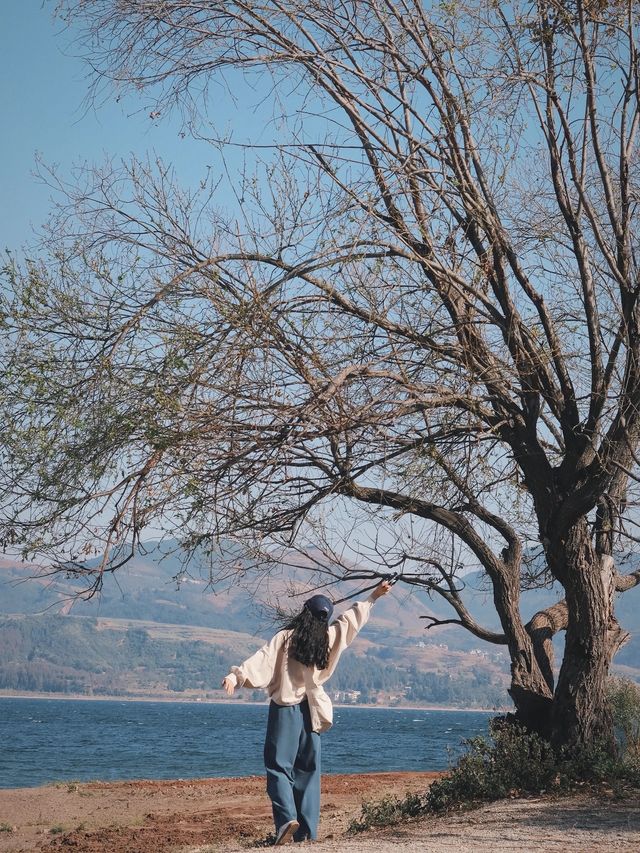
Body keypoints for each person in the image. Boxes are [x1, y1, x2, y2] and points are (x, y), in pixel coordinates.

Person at [221, 579, 393, 845]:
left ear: (304, 613)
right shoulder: (328, 638)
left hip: (285, 711)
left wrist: (236, 676)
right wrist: (373, 597)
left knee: (279, 768)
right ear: (324, 620)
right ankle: (308, 834)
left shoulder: (286, 638)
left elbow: (263, 660)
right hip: (313, 711)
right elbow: (351, 621)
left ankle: (287, 820)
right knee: (309, 772)